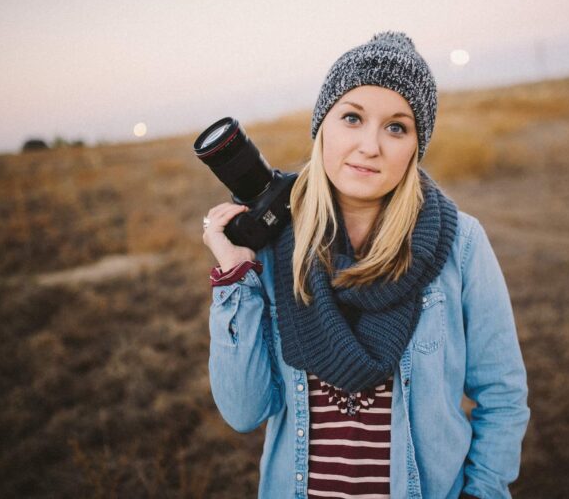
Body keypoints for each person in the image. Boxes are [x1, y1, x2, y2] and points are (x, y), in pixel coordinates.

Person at [202, 31, 529, 499]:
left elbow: (502, 395)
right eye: (352, 117)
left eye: (397, 127)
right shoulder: (277, 247)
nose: (370, 145)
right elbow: (244, 411)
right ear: (322, 128)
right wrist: (237, 278)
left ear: (416, 146)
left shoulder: (461, 245)